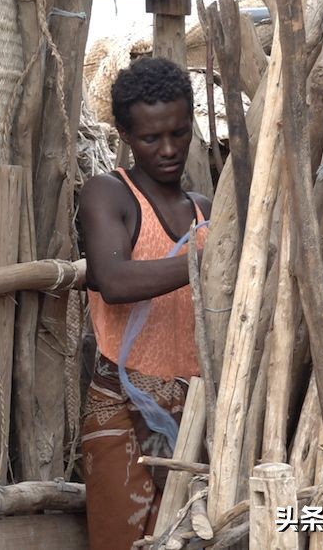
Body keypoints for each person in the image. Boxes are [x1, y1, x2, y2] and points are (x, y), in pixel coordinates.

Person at [78, 56, 212, 549]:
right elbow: (113, 280)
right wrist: (207, 263)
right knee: (126, 538)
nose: (169, 149)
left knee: (195, 533)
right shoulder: (109, 194)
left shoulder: (206, 211)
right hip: (123, 409)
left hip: (195, 408)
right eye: (151, 139)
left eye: (179, 133)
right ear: (126, 136)